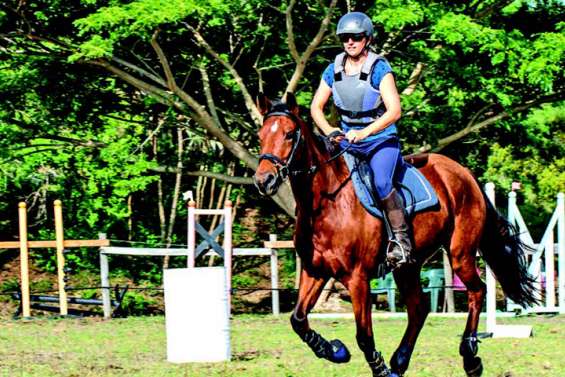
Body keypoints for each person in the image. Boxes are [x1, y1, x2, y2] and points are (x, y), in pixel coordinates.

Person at [310, 11, 413, 269]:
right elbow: (315, 108)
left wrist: (365, 133)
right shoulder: (332, 70)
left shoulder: (380, 69)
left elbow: (394, 111)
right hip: (346, 141)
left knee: (380, 182)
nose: (350, 42)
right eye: (345, 38)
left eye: (355, 37)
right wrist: (330, 130)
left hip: (380, 140)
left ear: (367, 38)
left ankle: (401, 242)